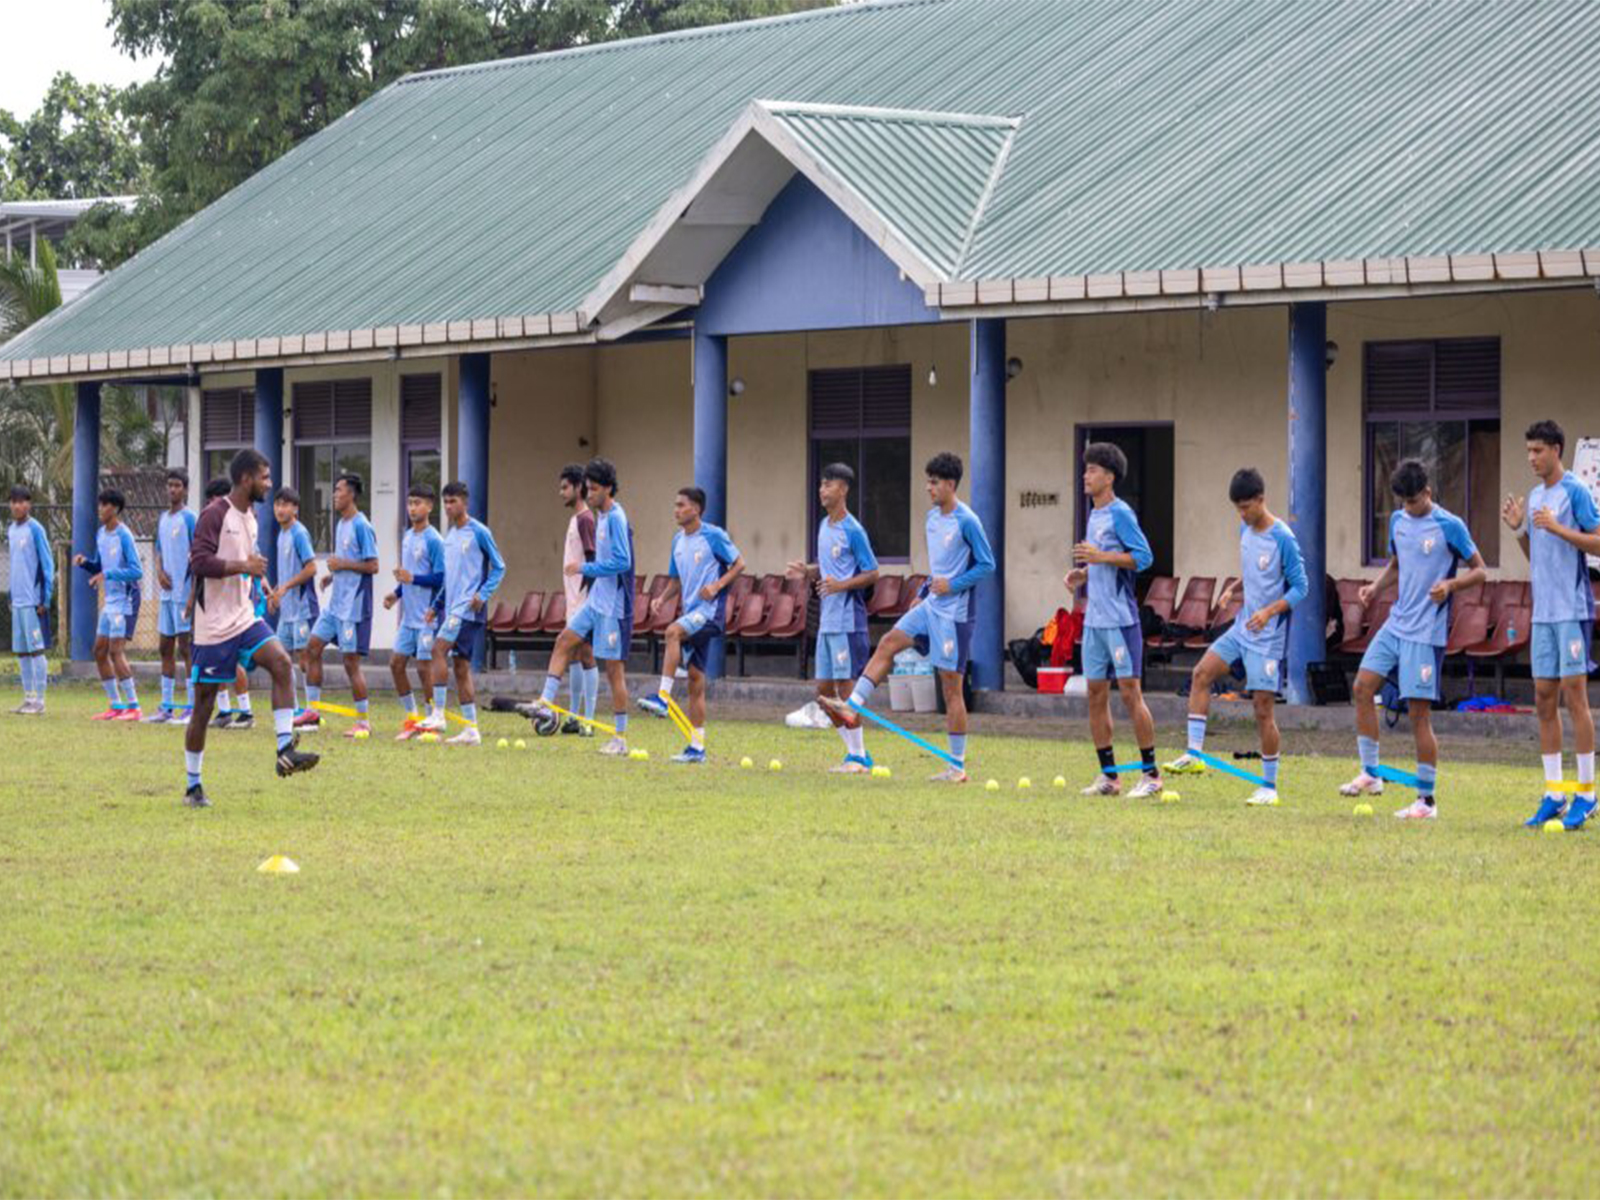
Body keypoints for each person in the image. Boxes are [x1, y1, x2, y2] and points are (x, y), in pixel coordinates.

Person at [821, 452, 994, 783]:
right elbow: (941, 567)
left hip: (955, 615)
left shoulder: (967, 520)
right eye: (927, 481)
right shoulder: (931, 519)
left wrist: (952, 585)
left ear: (950, 484)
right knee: (887, 643)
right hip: (930, 606)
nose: (928, 487)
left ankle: (956, 767)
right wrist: (926, 589)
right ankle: (852, 706)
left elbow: (987, 565)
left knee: (950, 689)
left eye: (933, 482)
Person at [1341, 458, 1487, 820]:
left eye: (1413, 501)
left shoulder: (1449, 525)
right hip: (1396, 623)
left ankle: (1426, 802)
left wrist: (1452, 584)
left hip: (1426, 632)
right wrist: (1375, 588)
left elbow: (1480, 570)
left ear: (1428, 492)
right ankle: (1371, 775)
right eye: (1403, 502)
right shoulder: (1398, 521)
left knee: (1418, 715)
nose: (1408, 507)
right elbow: (1397, 563)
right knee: (1362, 687)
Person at [183, 449, 318, 807]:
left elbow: (251, 562)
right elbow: (199, 561)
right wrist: (244, 566)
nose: (269, 485)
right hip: (213, 625)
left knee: (281, 663)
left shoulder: (252, 517)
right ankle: (193, 785)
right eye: (265, 477)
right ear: (246, 479)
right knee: (204, 706)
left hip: (245, 616)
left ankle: (285, 749)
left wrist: (263, 584)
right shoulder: (214, 514)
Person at [1165, 468, 1308, 805]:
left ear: (1261, 499)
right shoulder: (1245, 527)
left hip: (1268, 635)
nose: (1242, 514)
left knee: (1262, 710)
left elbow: (1302, 587)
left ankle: (1269, 788)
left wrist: (1269, 611)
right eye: (1237, 509)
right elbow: (1254, 572)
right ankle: (1194, 755)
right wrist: (1233, 589)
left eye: (1247, 507)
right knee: (1201, 674)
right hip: (1243, 627)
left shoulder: (1283, 538)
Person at [1504, 420, 1600, 830]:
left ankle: (1587, 794)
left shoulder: (1574, 491)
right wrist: (1519, 530)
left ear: (1557, 450)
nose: (1531, 458)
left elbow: (1597, 540)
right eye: (1528, 451)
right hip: (1542, 613)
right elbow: (1538, 556)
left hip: (1572, 611)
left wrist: (1559, 528)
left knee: (1575, 698)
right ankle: (1554, 793)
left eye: (1538, 451)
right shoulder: (1537, 495)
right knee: (1544, 699)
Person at [1068, 442, 1163, 798]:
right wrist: (1083, 573)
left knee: (1129, 694)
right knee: (1095, 695)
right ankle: (1109, 777)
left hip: (1122, 621)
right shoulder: (1093, 515)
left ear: (1109, 477)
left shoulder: (1121, 513)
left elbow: (1144, 558)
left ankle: (1151, 775)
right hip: (1094, 621)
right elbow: (1103, 563)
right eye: (1086, 469)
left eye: (1092, 470)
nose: (1085, 476)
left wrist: (1100, 556)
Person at [524, 458, 635, 755]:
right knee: (563, 641)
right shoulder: (599, 516)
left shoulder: (616, 518)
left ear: (609, 488)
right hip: (595, 601)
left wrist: (586, 569)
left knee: (614, 671)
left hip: (613, 606)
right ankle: (545, 704)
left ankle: (620, 739)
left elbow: (623, 562)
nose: (590, 494)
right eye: (587, 488)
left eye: (594, 488)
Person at [638, 486, 744, 763]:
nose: (676, 510)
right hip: (692, 613)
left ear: (695, 509)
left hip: (709, 613)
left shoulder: (713, 535)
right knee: (697, 682)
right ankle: (697, 748)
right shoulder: (677, 541)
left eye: (681, 505)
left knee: (672, 631)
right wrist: (661, 598)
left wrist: (717, 585)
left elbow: (739, 564)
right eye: (675, 505)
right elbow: (676, 580)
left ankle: (662, 697)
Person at [786, 463, 879, 773]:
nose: (822, 490)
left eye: (829, 485)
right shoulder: (824, 526)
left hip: (848, 620)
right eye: (821, 485)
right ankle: (853, 754)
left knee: (846, 690)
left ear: (844, 490)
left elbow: (872, 572)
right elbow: (827, 569)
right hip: (827, 620)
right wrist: (808, 571)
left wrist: (841, 585)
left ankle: (859, 756)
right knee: (824, 693)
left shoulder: (853, 529)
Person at [416, 481, 505, 747]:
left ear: (465, 503)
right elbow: (449, 578)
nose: (448, 506)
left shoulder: (479, 532)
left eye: (452, 501)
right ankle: (471, 730)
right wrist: (436, 605)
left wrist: (483, 594)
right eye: (445, 502)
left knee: (437, 650)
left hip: (467, 609)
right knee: (462, 668)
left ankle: (439, 715)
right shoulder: (449, 537)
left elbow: (499, 567)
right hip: (452, 608)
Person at [305, 473, 379, 737]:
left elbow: (373, 566)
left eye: (338, 490)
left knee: (350, 664)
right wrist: (331, 575)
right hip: (335, 605)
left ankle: (363, 722)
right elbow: (344, 561)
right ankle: (311, 713)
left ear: (352, 494)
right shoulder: (340, 524)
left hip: (353, 608)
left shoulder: (362, 525)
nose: (334, 495)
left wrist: (342, 565)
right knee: (312, 648)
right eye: (334, 490)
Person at [74, 488, 143, 721]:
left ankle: (134, 707)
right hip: (110, 602)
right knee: (99, 651)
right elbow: (100, 567)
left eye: (104, 505)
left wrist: (107, 574)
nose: (100, 509)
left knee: (116, 651)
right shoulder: (101, 534)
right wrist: (86, 564)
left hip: (125, 600)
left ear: (114, 508)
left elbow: (136, 571)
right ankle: (116, 705)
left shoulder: (124, 535)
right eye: (99, 504)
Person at [387, 484, 446, 740]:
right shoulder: (408, 536)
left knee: (424, 669)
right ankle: (412, 718)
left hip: (426, 618)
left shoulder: (435, 539)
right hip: (407, 617)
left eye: (418, 503)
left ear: (430, 506)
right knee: (396, 664)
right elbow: (408, 576)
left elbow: (442, 578)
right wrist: (396, 592)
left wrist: (412, 579)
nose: (412, 508)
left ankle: (432, 718)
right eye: (410, 503)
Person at [148, 469, 197, 723]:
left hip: (183, 595)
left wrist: (192, 596)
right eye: (170, 485)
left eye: (177, 485)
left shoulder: (190, 518)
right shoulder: (163, 519)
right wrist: (158, 571)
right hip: (167, 595)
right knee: (164, 647)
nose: (173, 490)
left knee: (186, 648)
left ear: (186, 490)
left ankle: (191, 707)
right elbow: (158, 550)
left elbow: (198, 558)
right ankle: (166, 707)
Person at [268, 487, 319, 720]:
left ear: (295, 508)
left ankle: (312, 709)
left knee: (305, 658)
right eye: (277, 504)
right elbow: (287, 573)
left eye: (286, 505)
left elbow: (311, 567)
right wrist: (275, 594)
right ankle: (296, 708)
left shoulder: (299, 533)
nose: (280, 509)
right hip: (286, 610)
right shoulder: (282, 534)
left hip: (302, 608)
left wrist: (287, 587)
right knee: (281, 658)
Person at [557, 464, 600, 735]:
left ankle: (589, 720)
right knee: (573, 654)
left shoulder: (586, 519)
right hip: (573, 599)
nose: (560, 492)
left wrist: (586, 598)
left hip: (584, 599)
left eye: (564, 487)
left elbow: (593, 559)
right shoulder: (575, 519)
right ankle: (573, 716)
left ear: (577, 488)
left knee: (585, 653)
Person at [7, 485, 54, 715]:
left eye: (21, 501)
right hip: (17, 602)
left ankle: (41, 702)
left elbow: (47, 566)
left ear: (29, 504)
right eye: (13, 501)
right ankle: (28, 699)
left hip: (34, 601)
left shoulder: (36, 529)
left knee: (37, 651)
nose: (17, 505)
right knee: (23, 652)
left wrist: (45, 599)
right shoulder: (11, 530)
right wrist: (11, 596)